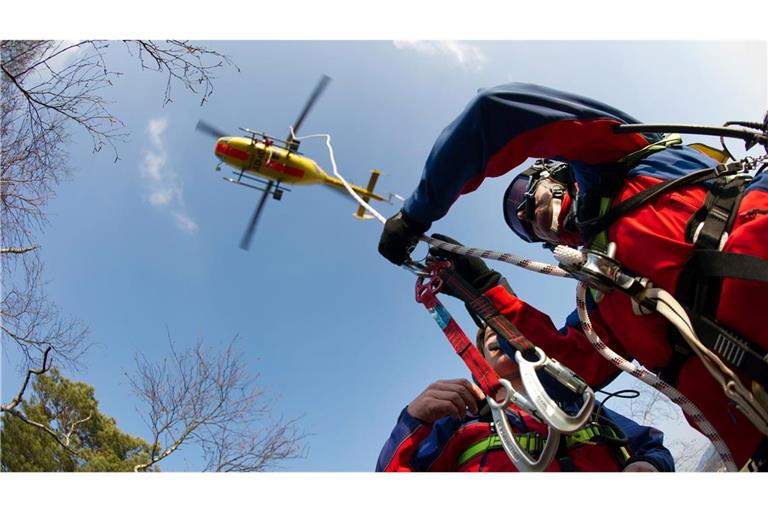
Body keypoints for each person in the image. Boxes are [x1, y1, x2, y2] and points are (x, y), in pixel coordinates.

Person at [377, 82, 768, 469]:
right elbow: (566, 369)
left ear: (554, 173)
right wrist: (482, 288)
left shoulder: (625, 158)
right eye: (523, 229)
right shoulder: (600, 298)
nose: (526, 217)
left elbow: (497, 113)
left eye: (523, 196)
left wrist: (416, 214)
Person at [376, 323, 674, 472]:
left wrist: (648, 466)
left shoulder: (578, 406)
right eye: (487, 338)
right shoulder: (458, 420)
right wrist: (412, 421)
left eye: (502, 331)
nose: (495, 336)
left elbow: (649, 445)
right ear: (480, 360)